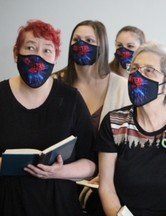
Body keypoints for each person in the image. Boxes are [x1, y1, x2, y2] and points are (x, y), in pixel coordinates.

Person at [98, 41, 166, 216]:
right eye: (134, 68)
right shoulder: (115, 122)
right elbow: (106, 187)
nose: (136, 76)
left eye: (148, 70)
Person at [0, 20, 96, 216]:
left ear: (55, 57)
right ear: (15, 53)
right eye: (30, 48)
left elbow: (91, 163)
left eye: (46, 51)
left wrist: (59, 172)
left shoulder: (71, 99)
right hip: (7, 201)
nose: (38, 56)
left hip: (59, 204)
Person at [53, 20, 131, 216]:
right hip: (58, 179)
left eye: (89, 40)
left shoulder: (122, 86)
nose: (81, 45)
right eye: (76, 40)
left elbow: (129, 139)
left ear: (102, 46)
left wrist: (106, 176)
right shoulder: (54, 83)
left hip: (106, 184)